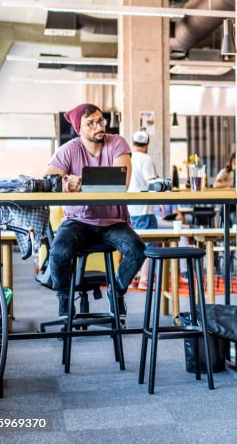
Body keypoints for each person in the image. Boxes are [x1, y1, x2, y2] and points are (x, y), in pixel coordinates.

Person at [45, 103, 147, 317]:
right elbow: (49, 179)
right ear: (79, 129)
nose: (98, 126)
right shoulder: (69, 149)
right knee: (57, 253)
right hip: (78, 221)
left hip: (113, 222)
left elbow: (123, 182)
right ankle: (64, 296)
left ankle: (116, 292)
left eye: (100, 120)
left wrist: (82, 185)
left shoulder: (117, 142)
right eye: (90, 123)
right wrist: (64, 184)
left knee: (137, 250)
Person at [127, 129, 158, 288]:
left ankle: (134, 277)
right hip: (144, 209)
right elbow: (152, 183)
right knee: (149, 244)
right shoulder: (146, 159)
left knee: (134, 244)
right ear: (147, 145)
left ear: (132, 143)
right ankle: (145, 279)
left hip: (129, 210)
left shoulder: (127, 158)